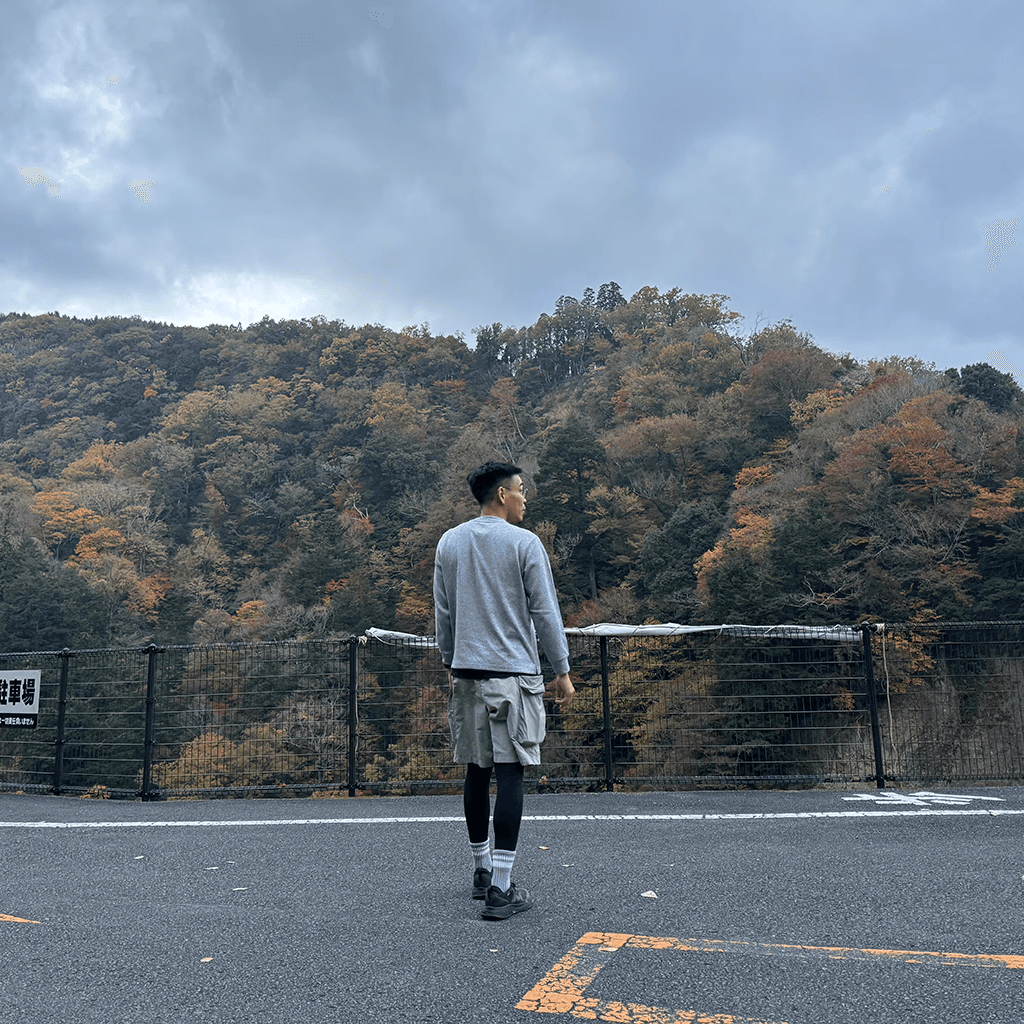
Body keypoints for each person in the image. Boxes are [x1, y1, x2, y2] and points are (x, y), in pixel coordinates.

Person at [434, 461, 575, 920]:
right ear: (500, 495)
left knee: (476, 770)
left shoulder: (450, 541)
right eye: (520, 490)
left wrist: (451, 660)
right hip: (512, 677)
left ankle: (480, 871)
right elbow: (545, 613)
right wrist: (562, 669)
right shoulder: (525, 543)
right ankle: (501, 888)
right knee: (511, 773)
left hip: (467, 674)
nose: (524, 497)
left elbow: (444, 614)